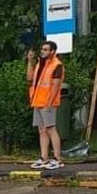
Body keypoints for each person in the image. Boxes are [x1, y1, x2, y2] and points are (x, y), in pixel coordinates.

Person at [27, 41, 64, 170]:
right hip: (37, 100)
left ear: (52, 51)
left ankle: (57, 158)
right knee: (41, 130)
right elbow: (30, 79)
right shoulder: (40, 64)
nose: (42, 51)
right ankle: (44, 157)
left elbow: (56, 85)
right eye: (42, 49)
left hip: (47, 102)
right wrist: (30, 62)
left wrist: (49, 102)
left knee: (50, 129)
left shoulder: (56, 65)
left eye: (46, 49)